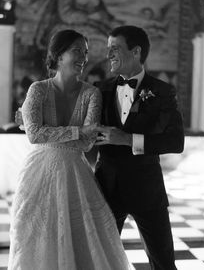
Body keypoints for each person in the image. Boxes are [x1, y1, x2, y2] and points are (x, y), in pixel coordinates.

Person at [8, 29, 132, 270]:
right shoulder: (38, 90)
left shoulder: (91, 93)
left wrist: (66, 134)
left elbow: (87, 143)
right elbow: (34, 135)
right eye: (77, 51)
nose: (83, 58)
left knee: (82, 239)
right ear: (58, 54)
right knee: (35, 236)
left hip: (76, 175)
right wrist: (76, 131)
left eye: (85, 53)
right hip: (37, 175)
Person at [94, 25, 184, 270]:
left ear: (136, 52)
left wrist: (128, 139)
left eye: (115, 48)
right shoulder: (99, 90)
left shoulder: (162, 92)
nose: (109, 54)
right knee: (99, 261)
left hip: (147, 189)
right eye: (108, 48)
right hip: (106, 189)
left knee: (163, 263)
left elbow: (175, 142)